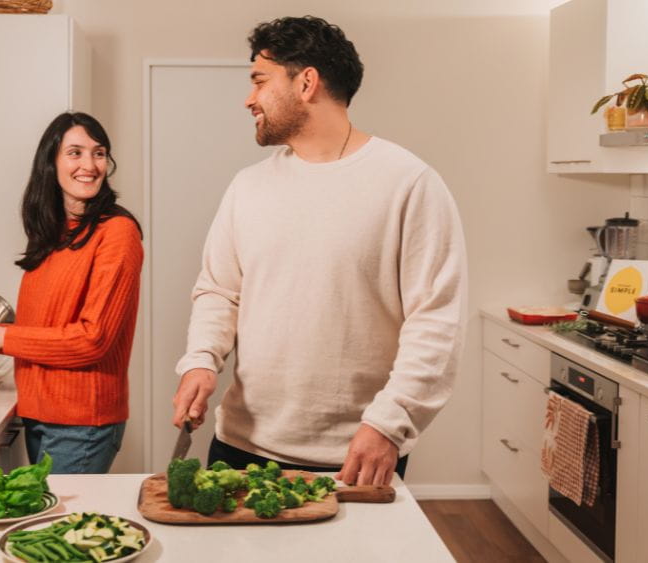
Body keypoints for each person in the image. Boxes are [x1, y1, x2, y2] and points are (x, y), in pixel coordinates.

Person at [171, 16, 467, 486]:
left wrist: (389, 423)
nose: (249, 99)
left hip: (357, 451)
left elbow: (435, 322)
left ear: (306, 81)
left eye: (259, 81)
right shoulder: (247, 187)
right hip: (240, 445)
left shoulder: (408, 183)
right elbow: (219, 292)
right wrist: (202, 360)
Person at [0, 112, 143, 474]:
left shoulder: (117, 233)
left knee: (61, 530)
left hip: (82, 423)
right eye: (75, 153)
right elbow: (46, 326)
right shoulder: (52, 233)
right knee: (48, 527)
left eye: (98, 153)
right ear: (51, 163)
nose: (89, 165)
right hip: (39, 413)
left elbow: (93, 340)